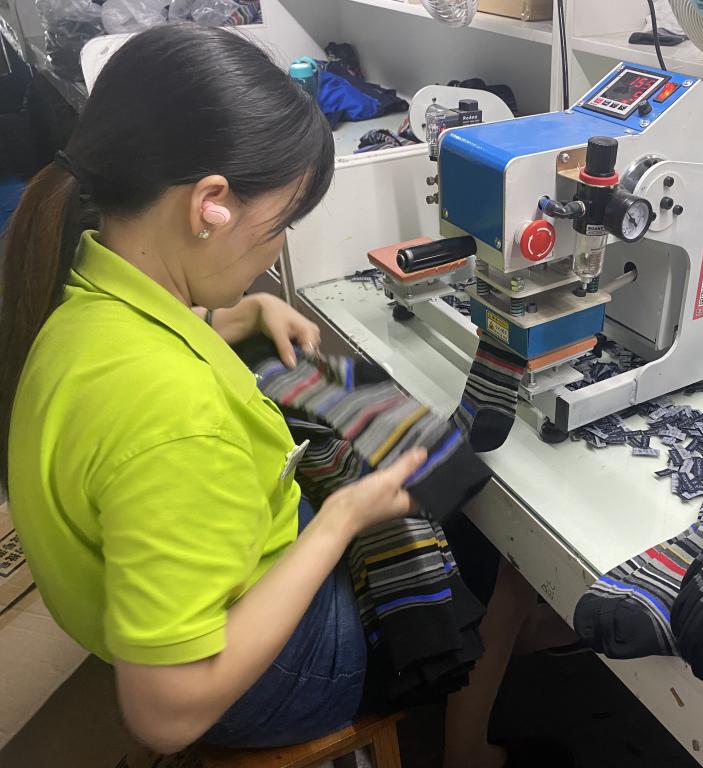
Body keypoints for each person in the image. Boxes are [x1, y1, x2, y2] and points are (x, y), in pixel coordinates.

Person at [0, 24, 574, 768]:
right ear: (210, 205)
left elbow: (149, 406)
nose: (279, 244)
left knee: (386, 475)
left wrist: (227, 317)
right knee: (487, 553)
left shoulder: (79, 293)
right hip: (268, 682)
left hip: (174, 599)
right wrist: (339, 522)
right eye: (283, 224)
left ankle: (506, 635)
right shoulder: (172, 420)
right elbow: (164, 717)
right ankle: (472, 742)